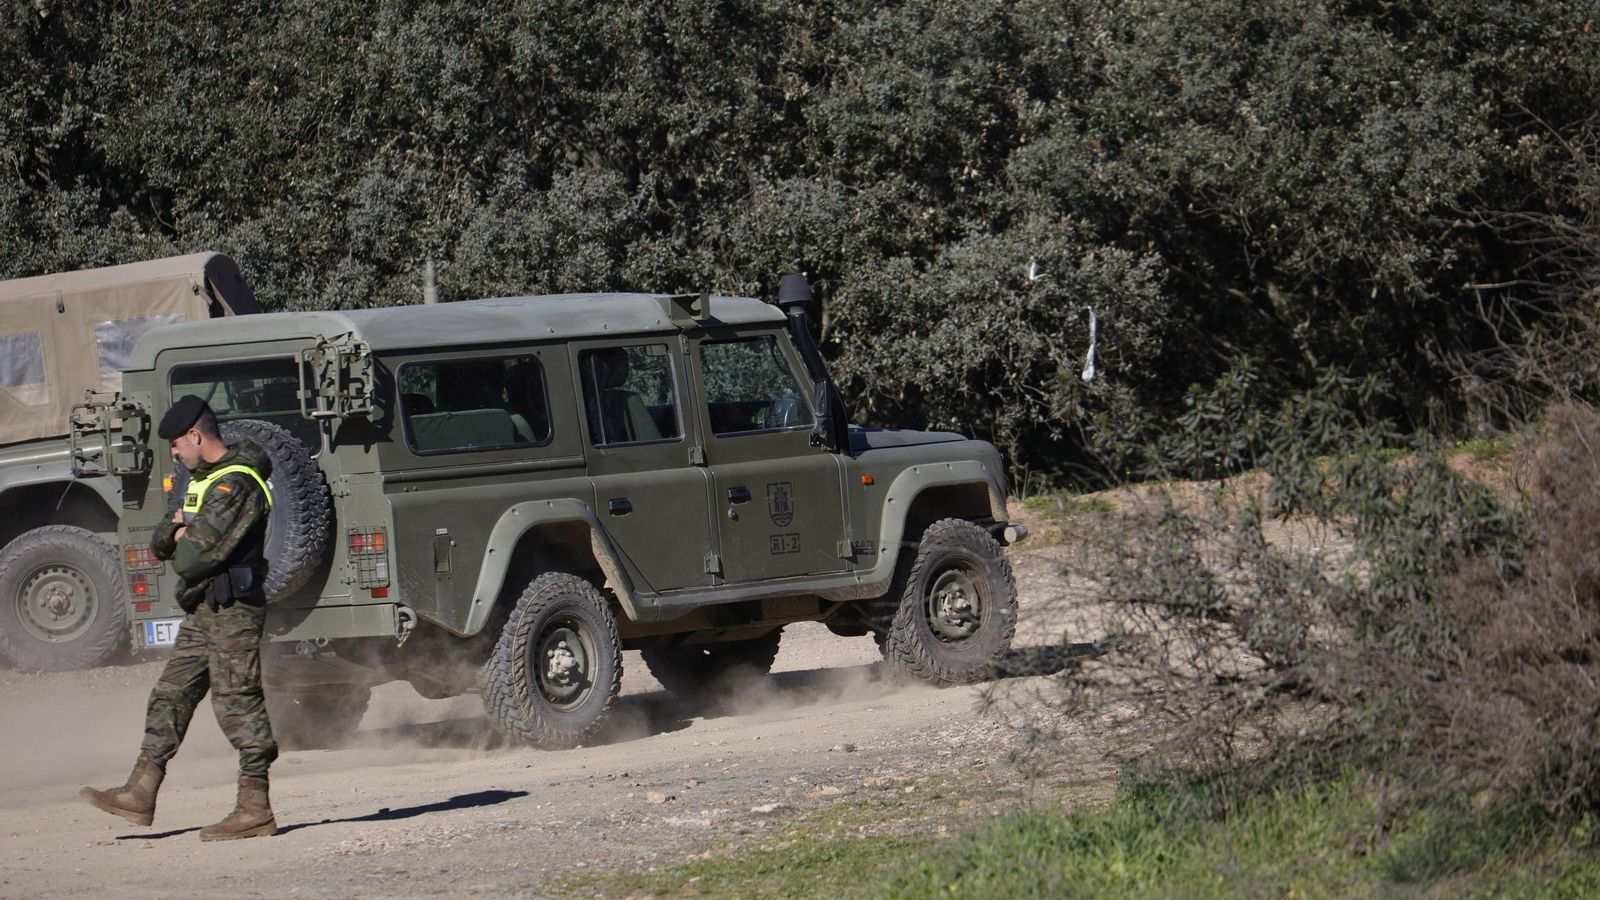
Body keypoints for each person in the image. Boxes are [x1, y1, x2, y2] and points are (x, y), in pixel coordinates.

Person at [79, 395, 280, 841]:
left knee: (238, 703)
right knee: (171, 694)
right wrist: (177, 529)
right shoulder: (202, 481)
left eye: (175, 443)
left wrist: (182, 533)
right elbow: (162, 540)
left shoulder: (236, 484)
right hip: (204, 608)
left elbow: (190, 559)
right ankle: (140, 792)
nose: (173, 452)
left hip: (232, 610)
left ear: (195, 435)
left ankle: (255, 808)